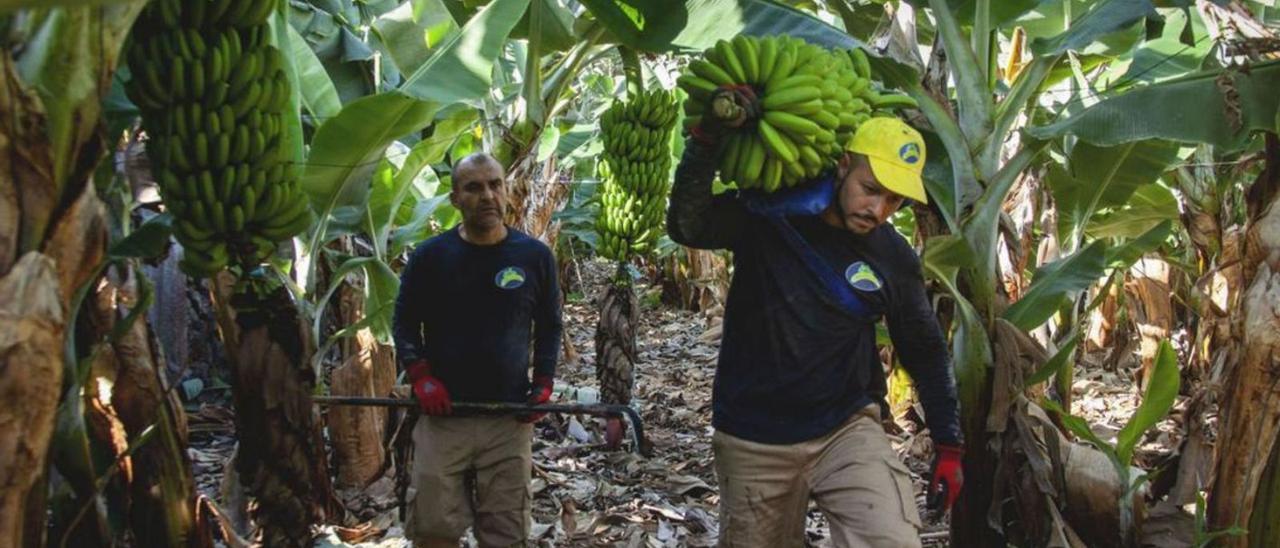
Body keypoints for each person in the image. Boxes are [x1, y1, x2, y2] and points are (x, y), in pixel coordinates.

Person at [668, 87, 964, 548]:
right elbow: (688, 225)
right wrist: (705, 142)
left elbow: (923, 346)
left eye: (894, 201)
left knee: (891, 538)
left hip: (845, 429)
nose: (879, 210)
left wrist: (948, 443)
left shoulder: (892, 255)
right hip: (753, 435)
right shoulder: (768, 215)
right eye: (871, 190)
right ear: (843, 165)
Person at [392, 152, 563, 548]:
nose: (487, 195)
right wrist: (421, 377)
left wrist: (543, 383)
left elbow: (550, 326)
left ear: (506, 192)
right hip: (443, 418)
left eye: (495, 185)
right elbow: (404, 323)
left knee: (506, 533)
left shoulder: (534, 257)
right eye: (473, 187)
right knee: (434, 530)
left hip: (507, 419)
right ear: (455, 198)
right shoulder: (430, 258)